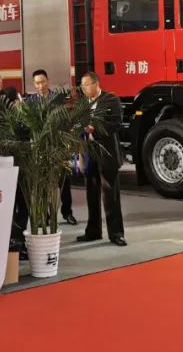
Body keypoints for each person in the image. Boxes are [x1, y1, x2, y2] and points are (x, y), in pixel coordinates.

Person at [76, 71, 126, 247]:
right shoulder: (82, 103)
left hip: (107, 153)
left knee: (111, 195)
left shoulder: (111, 100)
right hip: (89, 153)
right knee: (91, 193)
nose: (84, 88)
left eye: (87, 84)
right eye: (82, 85)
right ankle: (93, 231)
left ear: (96, 83)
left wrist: (94, 129)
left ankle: (116, 233)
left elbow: (116, 123)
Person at [28, 69, 78, 226]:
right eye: (37, 83)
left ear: (48, 81)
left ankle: (67, 213)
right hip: (41, 149)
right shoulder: (30, 102)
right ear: (34, 84)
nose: (40, 86)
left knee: (64, 182)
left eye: (43, 82)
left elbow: (66, 122)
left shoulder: (58, 99)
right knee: (43, 183)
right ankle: (45, 216)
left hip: (58, 146)